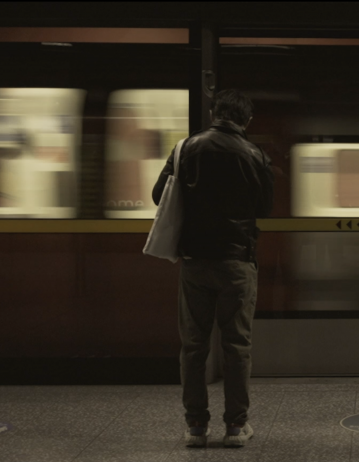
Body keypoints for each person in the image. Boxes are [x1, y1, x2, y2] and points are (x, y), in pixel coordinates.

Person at [152, 89, 274, 448]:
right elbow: (264, 208)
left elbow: (160, 195)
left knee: (193, 345)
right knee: (237, 345)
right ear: (246, 120)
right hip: (237, 261)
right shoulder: (255, 154)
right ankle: (236, 426)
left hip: (195, 263)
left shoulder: (185, 149)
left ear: (214, 113)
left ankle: (195, 426)